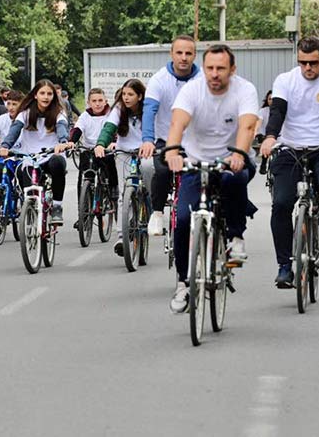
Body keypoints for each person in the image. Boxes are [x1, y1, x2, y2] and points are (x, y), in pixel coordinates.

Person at [163, 44, 259, 313]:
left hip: (232, 160)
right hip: (196, 163)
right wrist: (172, 150)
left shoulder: (244, 90)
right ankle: (183, 283)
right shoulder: (192, 89)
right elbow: (177, 123)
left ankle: (236, 238)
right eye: (210, 68)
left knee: (233, 180)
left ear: (232, 69)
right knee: (182, 220)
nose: (214, 74)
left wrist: (239, 153)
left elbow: (248, 125)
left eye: (221, 68)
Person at [260, 37, 319, 288]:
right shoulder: (285, 80)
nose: (308, 68)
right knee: (281, 203)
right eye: (302, 63)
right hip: (290, 147)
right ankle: (284, 266)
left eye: (313, 63)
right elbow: (277, 111)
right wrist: (270, 138)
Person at [140, 35, 203, 238]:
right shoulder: (159, 79)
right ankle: (157, 212)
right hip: (165, 140)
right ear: (171, 54)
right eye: (179, 53)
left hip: (195, 142)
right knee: (162, 170)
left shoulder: (203, 78)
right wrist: (148, 139)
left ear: (194, 55)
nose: (183, 58)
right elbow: (149, 109)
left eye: (188, 53)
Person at [0, 79, 72, 225]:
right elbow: (14, 130)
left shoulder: (59, 113)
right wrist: (5, 146)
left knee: (58, 163)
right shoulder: (25, 114)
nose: (46, 97)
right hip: (30, 157)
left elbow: (62, 128)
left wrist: (63, 143)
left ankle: (57, 206)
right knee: (27, 187)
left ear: (54, 96)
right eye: (42, 93)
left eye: (49, 94)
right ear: (35, 95)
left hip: (51, 155)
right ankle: (30, 214)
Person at [94, 79, 152, 257]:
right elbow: (108, 128)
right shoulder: (118, 109)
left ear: (140, 96)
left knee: (149, 169)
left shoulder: (149, 109)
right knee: (123, 192)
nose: (126, 98)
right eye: (124, 94)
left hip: (146, 152)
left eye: (130, 95)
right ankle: (122, 236)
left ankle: (149, 202)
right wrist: (100, 144)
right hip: (124, 153)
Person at [69, 88, 117, 218]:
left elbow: (114, 130)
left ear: (106, 101)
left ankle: (113, 191)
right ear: (89, 103)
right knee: (83, 177)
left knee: (111, 166)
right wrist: (72, 141)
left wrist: (114, 142)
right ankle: (83, 212)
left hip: (106, 150)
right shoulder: (85, 116)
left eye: (100, 100)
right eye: (94, 101)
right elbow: (77, 129)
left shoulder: (111, 114)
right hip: (88, 149)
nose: (97, 104)